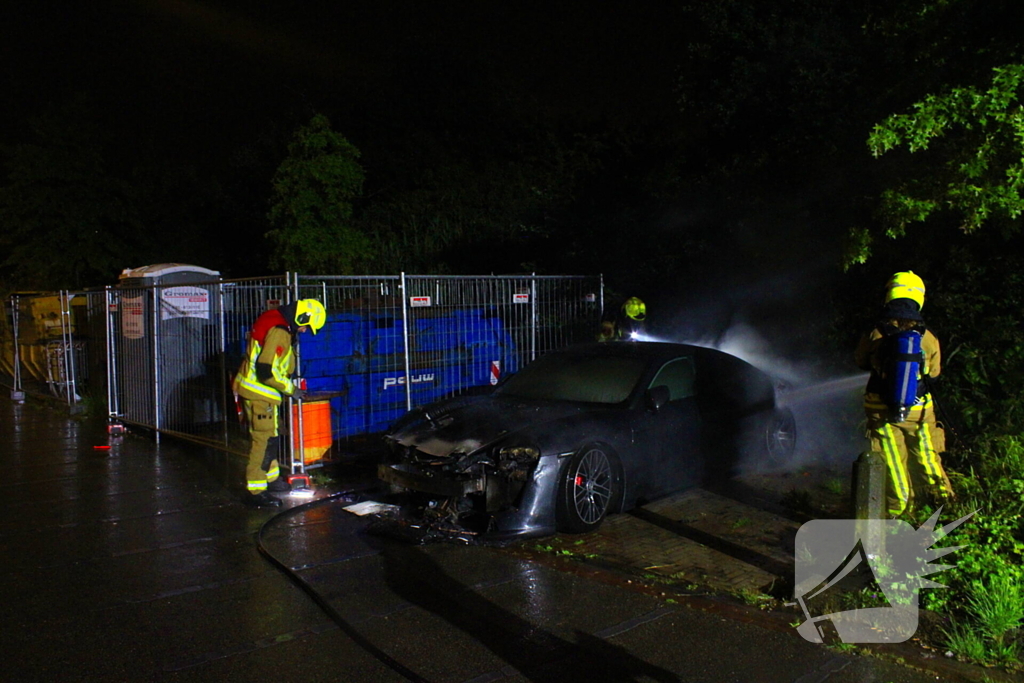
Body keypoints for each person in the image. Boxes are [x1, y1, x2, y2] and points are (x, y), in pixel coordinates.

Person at [854, 273, 953, 517]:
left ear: (890, 295)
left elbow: (860, 362)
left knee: (893, 466)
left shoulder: (876, 333)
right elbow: (935, 374)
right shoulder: (928, 336)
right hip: (919, 411)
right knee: (928, 461)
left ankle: (899, 515)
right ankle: (948, 514)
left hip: (881, 410)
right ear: (919, 298)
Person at [233, 299, 326, 507]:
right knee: (263, 441)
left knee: (270, 437)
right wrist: (292, 389)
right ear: (301, 318)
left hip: (255, 390)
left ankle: (271, 479)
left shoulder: (273, 319)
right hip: (261, 393)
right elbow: (267, 371)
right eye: (305, 326)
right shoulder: (281, 332)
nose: (303, 331)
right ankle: (256, 492)